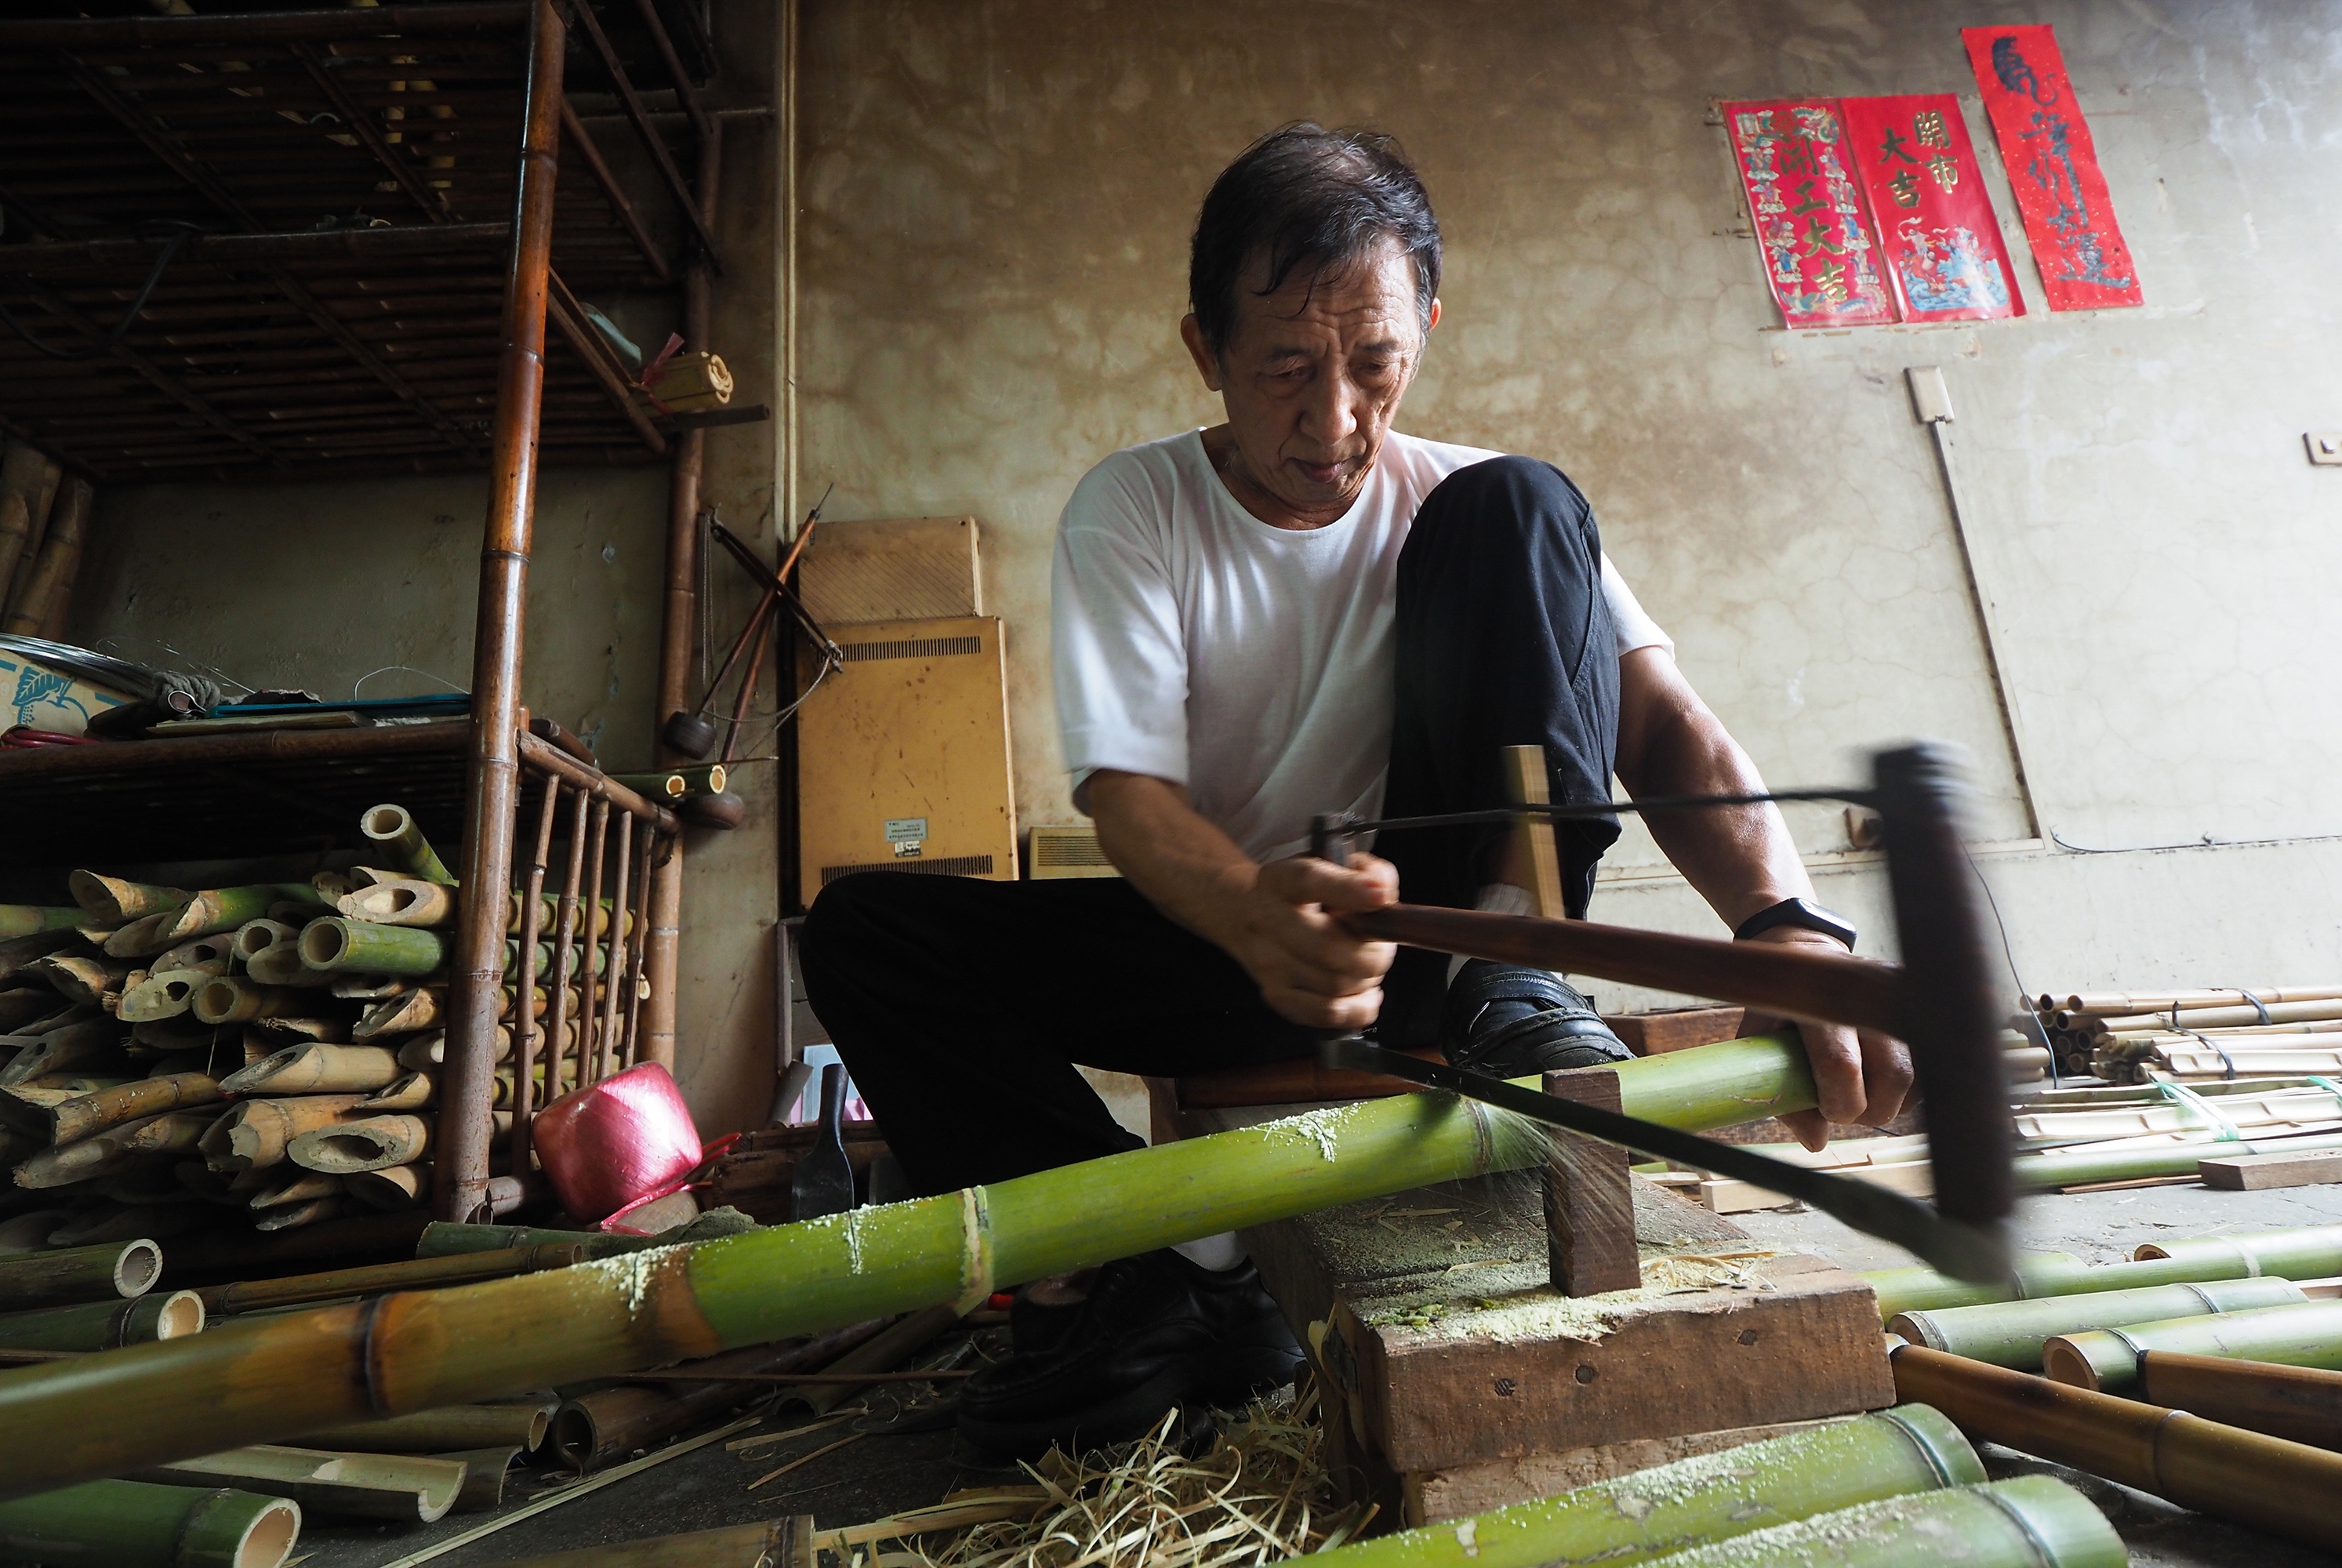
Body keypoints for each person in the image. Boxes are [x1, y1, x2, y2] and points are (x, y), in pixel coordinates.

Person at [801, 123, 1908, 1457]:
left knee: (1524, 502)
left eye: (1373, 363)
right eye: (1282, 369)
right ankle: (1145, 1279)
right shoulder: (1136, 506)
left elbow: (1666, 726)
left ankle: (1521, 966)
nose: (1332, 423)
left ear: (1426, 329)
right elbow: (1131, 796)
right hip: (1244, 934)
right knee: (867, 933)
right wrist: (1252, 909)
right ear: (1203, 351)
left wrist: (1786, 925)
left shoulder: (1471, 504)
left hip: (1461, 940)